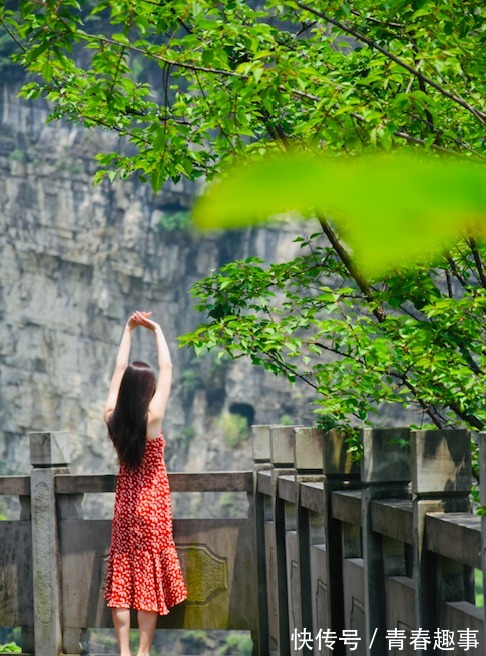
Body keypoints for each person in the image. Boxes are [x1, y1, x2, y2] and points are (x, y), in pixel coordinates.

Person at [103, 311, 187, 656]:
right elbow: (167, 370)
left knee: (122, 573)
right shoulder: (152, 419)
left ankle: (123, 651)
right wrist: (157, 329)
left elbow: (119, 371)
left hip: (125, 505)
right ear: (148, 390)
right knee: (149, 576)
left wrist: (127, 330)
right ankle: (143, 651)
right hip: (151, 505)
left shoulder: (112, 417)